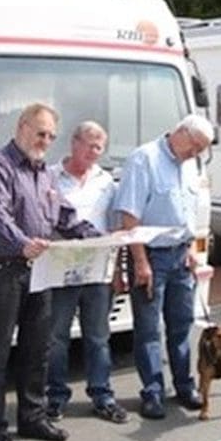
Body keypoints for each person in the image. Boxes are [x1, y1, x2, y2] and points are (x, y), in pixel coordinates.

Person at [0, 103, 100, 441]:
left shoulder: (44, 173)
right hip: (2, 271)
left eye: (50, 136)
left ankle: (32, 417)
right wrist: (22, 244)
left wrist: (96, 237)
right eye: (40, 132)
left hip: (40, 271)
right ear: (22, 126)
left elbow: (64, 215)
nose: (45, 141)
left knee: (37, 350)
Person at [113, 114, 215, 419]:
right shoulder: (144, 159)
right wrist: (140, 261)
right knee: (148, 329)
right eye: (194, 146)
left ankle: (185, 386)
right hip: (151, 256)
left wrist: (191, 248)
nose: (196, 154)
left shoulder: (190, 163)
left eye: (201, 150)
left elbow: (188, 211)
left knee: (182, 324)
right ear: (180, 133)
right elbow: (130, 217)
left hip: (181, 255)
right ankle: (153, 392)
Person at [45, 121, 128, 424]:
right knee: (56, 338)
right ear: (73, 143)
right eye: (89, 145)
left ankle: (102, 396)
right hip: (60, 271)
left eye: (99, 147)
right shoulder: (50, 177)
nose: (93, 152)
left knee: (98, 337)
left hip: (97, 273)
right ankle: (54, 398)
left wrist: (119, 270)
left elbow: (115, 227)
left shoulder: (106, 182)